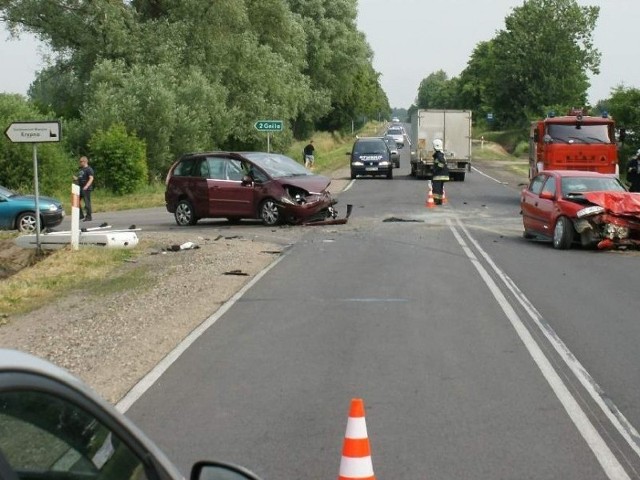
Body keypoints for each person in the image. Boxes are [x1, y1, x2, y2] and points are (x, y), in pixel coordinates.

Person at [73, 156, 94, 221]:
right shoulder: (81, 170)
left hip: (86, 188)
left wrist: (86, 186)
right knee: (76, 201)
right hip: (80, 188)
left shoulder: (89, 169)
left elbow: (91, 178)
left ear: (85, 161)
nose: (80, 163)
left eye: (81, 161)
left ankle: (88, 217)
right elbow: (80, 178)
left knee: (87, 203)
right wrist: (75, 179)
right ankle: (80, 215)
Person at [431, 139, 449, 205]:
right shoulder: (441, 154)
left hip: (439, 175)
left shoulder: (439, 155)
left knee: (436, 188)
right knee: (440, 188)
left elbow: (442, 162)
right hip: (443, 174)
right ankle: (439, 200)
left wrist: (436, 169)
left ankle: (437, 201)